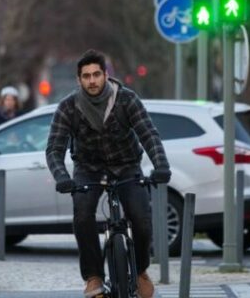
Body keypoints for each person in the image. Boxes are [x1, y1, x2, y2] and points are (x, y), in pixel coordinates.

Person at [45, 50, 171, 298]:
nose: (92, 81)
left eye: (96, 75)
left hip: (126, 166)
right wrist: (62, 176)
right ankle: (93, 276)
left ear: (105, 75)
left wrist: (161, 165)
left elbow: (148, 134)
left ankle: (141, 271)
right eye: (86, 76)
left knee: (141, 218)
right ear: (79, 80)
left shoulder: (126, 99)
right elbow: (54, 148)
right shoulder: (68, 107)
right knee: (82, 215)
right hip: (88, 169)